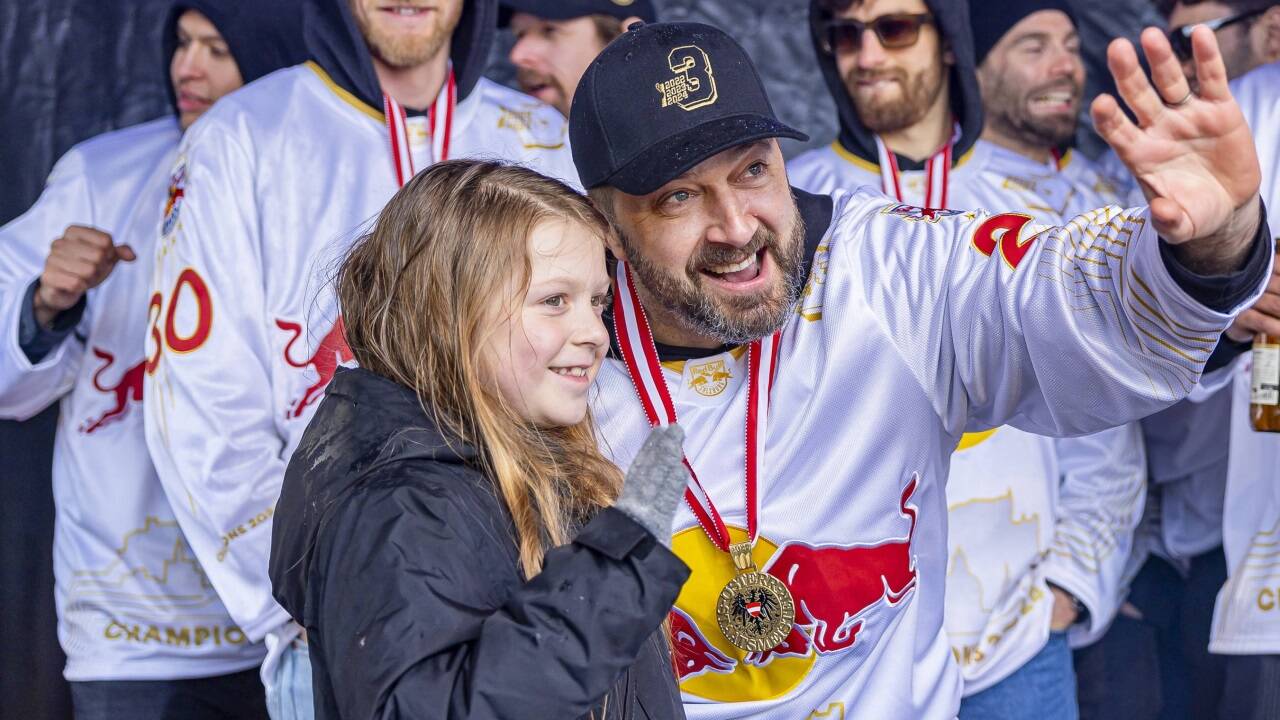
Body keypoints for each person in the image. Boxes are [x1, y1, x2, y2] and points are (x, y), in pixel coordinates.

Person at [569, 18, 1271, 719]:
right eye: (679, 198)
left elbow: (1060, 295)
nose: (736, 227)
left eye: (753, 169)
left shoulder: (883, 264)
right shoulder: (548, 354)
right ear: (608, 229)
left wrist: (1212, 244)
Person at [142, 0, 579, 715]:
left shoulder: (543, 138)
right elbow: (196, 405)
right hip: (340, 633)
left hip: (535, 621)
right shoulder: (242, 136)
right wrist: (310, 595)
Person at [269, 159, 690, 720]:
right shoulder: (405, 505)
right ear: (450, 311)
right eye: (553, 301)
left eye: (597, 301)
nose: (594, 333)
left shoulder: (500, 466)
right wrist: (613, 581)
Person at [0, 2, 303, 718]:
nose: (187, 67)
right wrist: (46, 305)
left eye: (218, 49)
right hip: (135, 629)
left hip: (291, 619)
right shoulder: (102, 178)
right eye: (181, 43)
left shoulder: (318, 178)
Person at [1073, 6, 1280, 719]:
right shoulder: (1192, 131)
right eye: (1168, 30)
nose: (1182, 56)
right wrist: (1219, 297)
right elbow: (1125, 339)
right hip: (1212, 539)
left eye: (1200, 34)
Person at [788, 0, 985, 208]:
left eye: (895, 28)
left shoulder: (1020, 197)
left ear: (948, 41)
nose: (867, 59)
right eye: (846, 33)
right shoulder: (790, 195)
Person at [503, 0, 655, 117]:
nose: (516, 55)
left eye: (549, 31)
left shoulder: (673, 152)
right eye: (519, 34)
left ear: (627, 41)